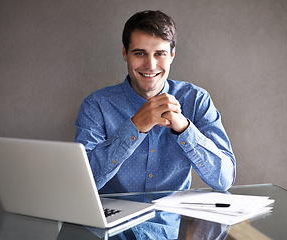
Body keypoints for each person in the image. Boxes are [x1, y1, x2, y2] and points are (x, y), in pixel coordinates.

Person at [74, 10, 236, 194]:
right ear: (125, 54)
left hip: (171, 220)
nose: (150, 65)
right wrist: (135, 127)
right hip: (114, 220)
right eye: (140, 53)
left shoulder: (196, 100)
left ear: (172, 55)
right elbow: (82, 183)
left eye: (159, 54)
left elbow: (224, 179)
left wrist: (184, 129)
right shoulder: (96, 105)